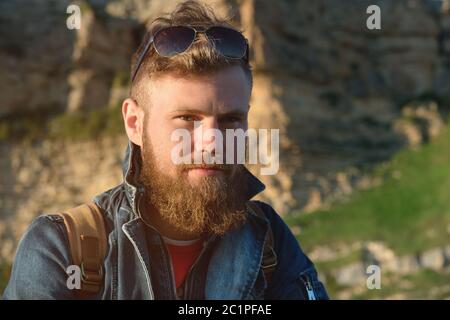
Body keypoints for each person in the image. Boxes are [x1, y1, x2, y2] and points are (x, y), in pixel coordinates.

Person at [4, 0, 328, 300]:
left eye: (230, 119)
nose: (212, 141)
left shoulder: (269, 242)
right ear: (134, 123)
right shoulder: (61, 249)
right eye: (187, 118)